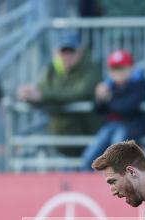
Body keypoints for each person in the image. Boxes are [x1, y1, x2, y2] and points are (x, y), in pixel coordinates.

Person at [16, 30, 103, 159]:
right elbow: (42, 90)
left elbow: (79, 93)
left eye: (71, 51)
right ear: (57, 52)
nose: (67, 55)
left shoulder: (91, 68)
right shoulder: (53, 68)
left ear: (80, 52)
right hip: (61, 145)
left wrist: (42, 95)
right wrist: (28, 95)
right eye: (64, 51)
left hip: (89, 143)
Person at [80, 49, 145, 171]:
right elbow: (97, 110)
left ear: (131, 68)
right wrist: (99, 98)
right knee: (88, 159)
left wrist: (108, 99)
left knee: (116, 156)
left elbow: (127, 108)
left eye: (121, 68)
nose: (117, 73)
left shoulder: (139, 84)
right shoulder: (109, 85)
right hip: (110, 126)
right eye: (114, 69)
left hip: (130, 127)